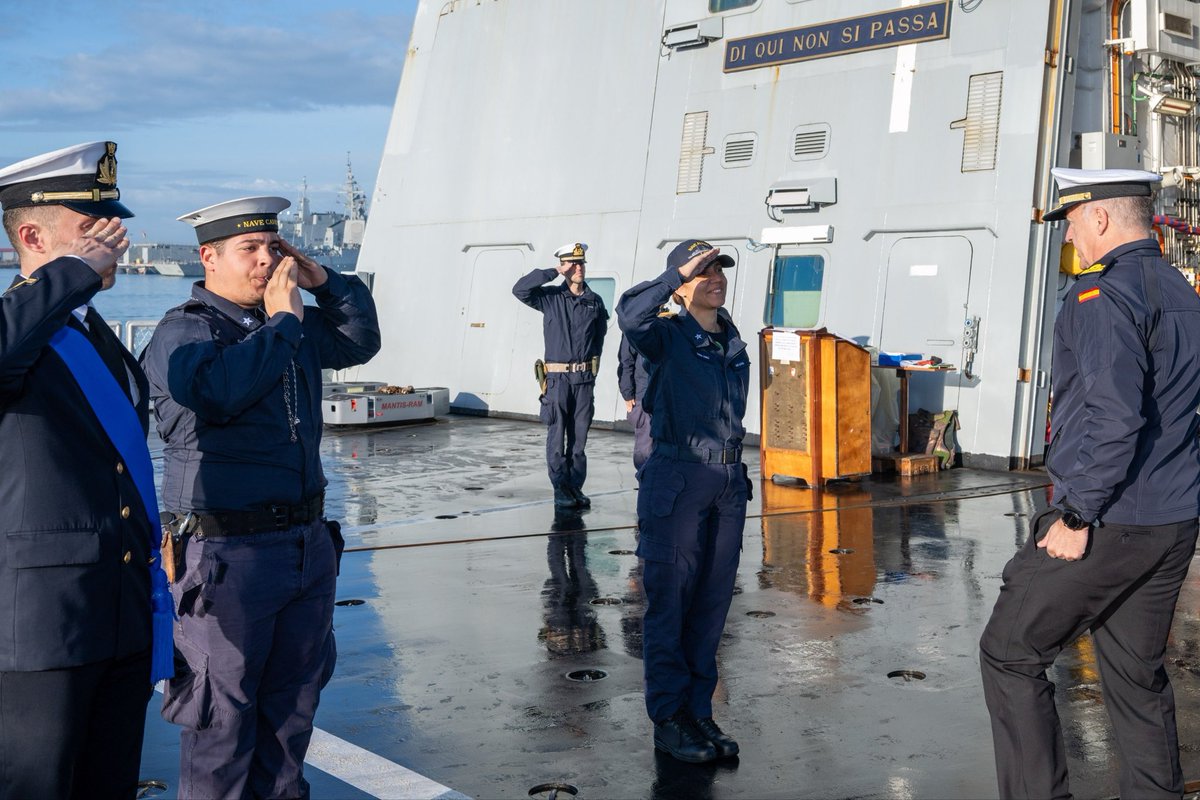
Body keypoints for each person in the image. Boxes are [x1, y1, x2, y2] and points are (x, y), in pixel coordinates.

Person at [141, 196, 381, 799]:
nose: (266, 261)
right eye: (249, 249)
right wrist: (285, 323)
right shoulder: (186, 330)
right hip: (228, 556)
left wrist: (324, 280)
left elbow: (358, 340)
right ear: (209, 257)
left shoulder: (285, 324)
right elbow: (219, 392)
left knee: (291, 715)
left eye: (274, 248)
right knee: (221, 725)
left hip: (303, 546)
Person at [980, 168, 1200, 799]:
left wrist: (1076, 516)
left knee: (1010, 653)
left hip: (1109, 517)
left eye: (1071, 220)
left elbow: (1115, 416)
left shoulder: (1101, 296)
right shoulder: (1181, 290)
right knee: (1136, 674)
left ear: (1100, 217)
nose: (1069, 233)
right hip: (1171, 519)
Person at [0, 140, 173, 798]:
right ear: (35, 234)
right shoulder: (22, 327)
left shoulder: (94, 336)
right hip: (41, 632)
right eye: (93, 227)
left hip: (117, 615)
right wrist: (68, 275)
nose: (117, 239)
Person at [617, 239, 751, 764]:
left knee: (711, 605)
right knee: (670, 603)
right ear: (681, 282)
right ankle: (669, 718)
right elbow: (630, 316)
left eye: (719, 269)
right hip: (678, 476)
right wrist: (676, 275)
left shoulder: (732, 340)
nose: (714, 278)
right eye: (703, 271)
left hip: (726, 481)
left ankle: (698, 712)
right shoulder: (667, 335)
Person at [513, 242, 609, 510]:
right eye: (573, 263)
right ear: (565, 266)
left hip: (583, 381)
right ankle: (559, 489)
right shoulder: (551, 297)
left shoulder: (594, 301)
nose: (579, 268)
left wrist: (590, 372)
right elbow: (520, 289)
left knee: (579, 439)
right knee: (557, 436)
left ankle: (575, 486)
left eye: (581, 263)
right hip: (557, 381)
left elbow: (599, 337)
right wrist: (553, 271)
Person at [617, 330, 653, 471]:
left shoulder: (669, 322)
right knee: (645, 448)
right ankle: (645, 485)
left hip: (665, 395)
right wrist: (628, 394)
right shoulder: (635, 325)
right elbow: (626, 361)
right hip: (643, 396)